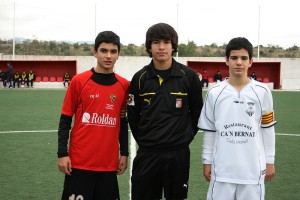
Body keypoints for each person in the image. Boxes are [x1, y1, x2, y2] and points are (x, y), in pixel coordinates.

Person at [127, 22, 203, 200]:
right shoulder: (139, 78)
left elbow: (197, 112)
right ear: (149, 46)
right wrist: (146, 141)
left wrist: (184, 138)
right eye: (156, 42)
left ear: (173, 45)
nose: (161, 47)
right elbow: (132, 115)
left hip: (178, 155)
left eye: (166, 42)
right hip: (147, 154)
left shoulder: (189, 77)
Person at [198, 37, 276, 200]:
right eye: (234, 58)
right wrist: (207, 160)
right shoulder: (214, 92)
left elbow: (268, 129)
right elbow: (210, 131)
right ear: (227, 60)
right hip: (222, 171)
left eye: (243, 58)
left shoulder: (262, 91)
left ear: (251, 62)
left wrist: (269, 160)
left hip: (253, 171)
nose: (238, 62)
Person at [57, 31, 130, 200]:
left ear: (118, 54)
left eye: (113, 51)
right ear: (95, 52)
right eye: (104, 51)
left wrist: (124, 153)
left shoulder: (124, 86)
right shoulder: (79, 81)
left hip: (108, 165)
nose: (108, 56)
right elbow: (65, 120)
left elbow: (123, 121)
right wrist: (62, 153)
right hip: (79, 163)